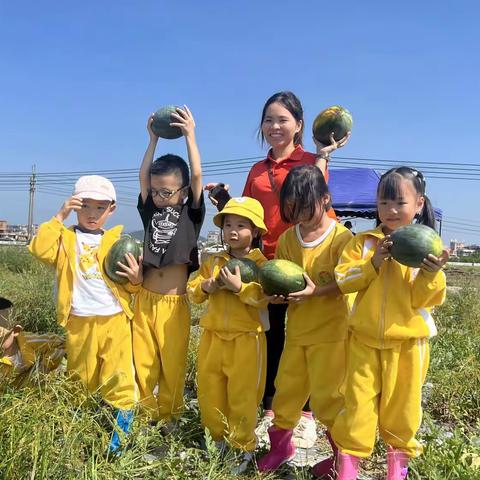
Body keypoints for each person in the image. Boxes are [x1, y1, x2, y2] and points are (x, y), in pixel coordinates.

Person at [207, 91, 351, 448]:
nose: (275, 126)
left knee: (302, 331)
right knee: (269, 333)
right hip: (264, 260)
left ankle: (304, 414)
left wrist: (322, 156)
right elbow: (249, 211)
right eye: (269, 120)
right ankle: (273, 408)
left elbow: (316, 202)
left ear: (299, 125)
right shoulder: (258, 169)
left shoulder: (308, 160)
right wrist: (225, 201)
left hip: (300, 256)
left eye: (283, 120)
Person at [331, 167, 449, 480]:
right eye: (384, 203)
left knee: (403, 410)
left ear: (419, 204)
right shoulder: (363, 243)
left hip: (408, 345)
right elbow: (344, 279)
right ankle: (347, 469)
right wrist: (373, 264)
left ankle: (397, 470)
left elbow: (426, 300)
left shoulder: (426, 248)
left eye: (399, 203)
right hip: (363, 342)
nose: (391, 210)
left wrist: (430, 273)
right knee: (356, 406)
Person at [28, 175, 142, 454]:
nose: (92, 214)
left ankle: (117, 446)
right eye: (85, 206)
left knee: (121, 379)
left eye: (100, 208)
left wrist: (137, 280)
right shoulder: (65, 238)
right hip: (79, 320)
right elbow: (39, 249)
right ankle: (77, 434)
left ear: (111, 210)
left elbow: (130, 283)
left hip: (115, 319)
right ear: (76, 206)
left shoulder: (118, 241)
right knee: (81, 379)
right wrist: (60, 215)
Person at [256, 165, 352, 475]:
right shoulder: (286, 240)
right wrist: (276, 294)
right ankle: (282, 446)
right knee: (286, 393)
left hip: (332, 333)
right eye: (292, 209)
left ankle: (342, 459)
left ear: (325, 199)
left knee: (328, 400)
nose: (298, 215)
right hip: (297, 331)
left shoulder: (342, 238)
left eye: (305, 207)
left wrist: (317, 291)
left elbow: (350, 282)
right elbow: (283, 277)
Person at [187, 197, 269, 474]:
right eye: (228, 224)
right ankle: (216, 440)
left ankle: (242, 446)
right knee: (210, 391)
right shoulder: (213, 260)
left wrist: (240, 288)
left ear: (255, 231)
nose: (233, 231)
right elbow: (194, 291)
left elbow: (265, 298)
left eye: (241, 225)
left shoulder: (262, 264)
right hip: (212, 336)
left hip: (247, 339)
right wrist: (207, 286)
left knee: (243, 395)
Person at [135, 106, 205, 422]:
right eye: (157, 191)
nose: (161, 197)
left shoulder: (192, 214)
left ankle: (170, 418)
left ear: (184, 192)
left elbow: (198, 175)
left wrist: (190, 136)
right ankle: (143, 418)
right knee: (142, 364)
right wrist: (152, 140)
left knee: (173, 365)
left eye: (168, 191)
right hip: (144, 301)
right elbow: (142, 177)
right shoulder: (151, 211)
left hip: (175, 306)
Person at [0, 296, 65, 386]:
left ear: (15, 331)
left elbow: (60, 343)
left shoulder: (28, 341)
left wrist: (44, 367)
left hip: (48, 387)